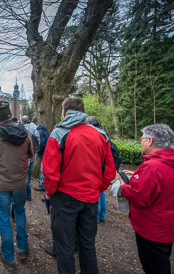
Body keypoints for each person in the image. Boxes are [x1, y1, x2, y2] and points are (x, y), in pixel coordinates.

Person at [42, 97, 116, 274]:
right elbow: (110, 169)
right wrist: (98, 188)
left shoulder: (59, 133)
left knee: (65, 246)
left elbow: (50, 171)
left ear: (64, 111)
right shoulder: (100, 134)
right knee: (87, 244)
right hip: (90, 198)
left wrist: (50, 193)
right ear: (82, 112)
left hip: (65, 197)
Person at [120, 124, 174, 274]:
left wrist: (124, 185)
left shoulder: (153, 166)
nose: (140, 142)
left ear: (150, 141)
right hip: (170, 224)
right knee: (162, 262)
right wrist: (140, 177)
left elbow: (139, 198)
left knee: (154, 268)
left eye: (141, 139)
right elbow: (164, 185)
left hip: (153, 228)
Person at [0, 100, 33, 271]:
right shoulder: (25, 133)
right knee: (19, 213)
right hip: (20, 182)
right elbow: (30, 154)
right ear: (10, 115)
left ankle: (8, 256)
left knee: (4, 217)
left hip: (2, 183)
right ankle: (22, 248)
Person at [85, 116, 121, 223]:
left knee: (98, 192)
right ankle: (102, 215)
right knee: (101, 193)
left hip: (101, 167)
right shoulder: (104, 133)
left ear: (91, 124)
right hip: (107, 167)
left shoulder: (97, 134)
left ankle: (96, 216)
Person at [21, 115, 40, 201]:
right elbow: (38, 139)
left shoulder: (22, 129)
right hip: (33, 154)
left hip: (25, 155)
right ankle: (28, 195)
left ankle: (25, 195)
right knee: (28, 174)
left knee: (25, 175)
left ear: (23, 122)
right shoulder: (35, 127)